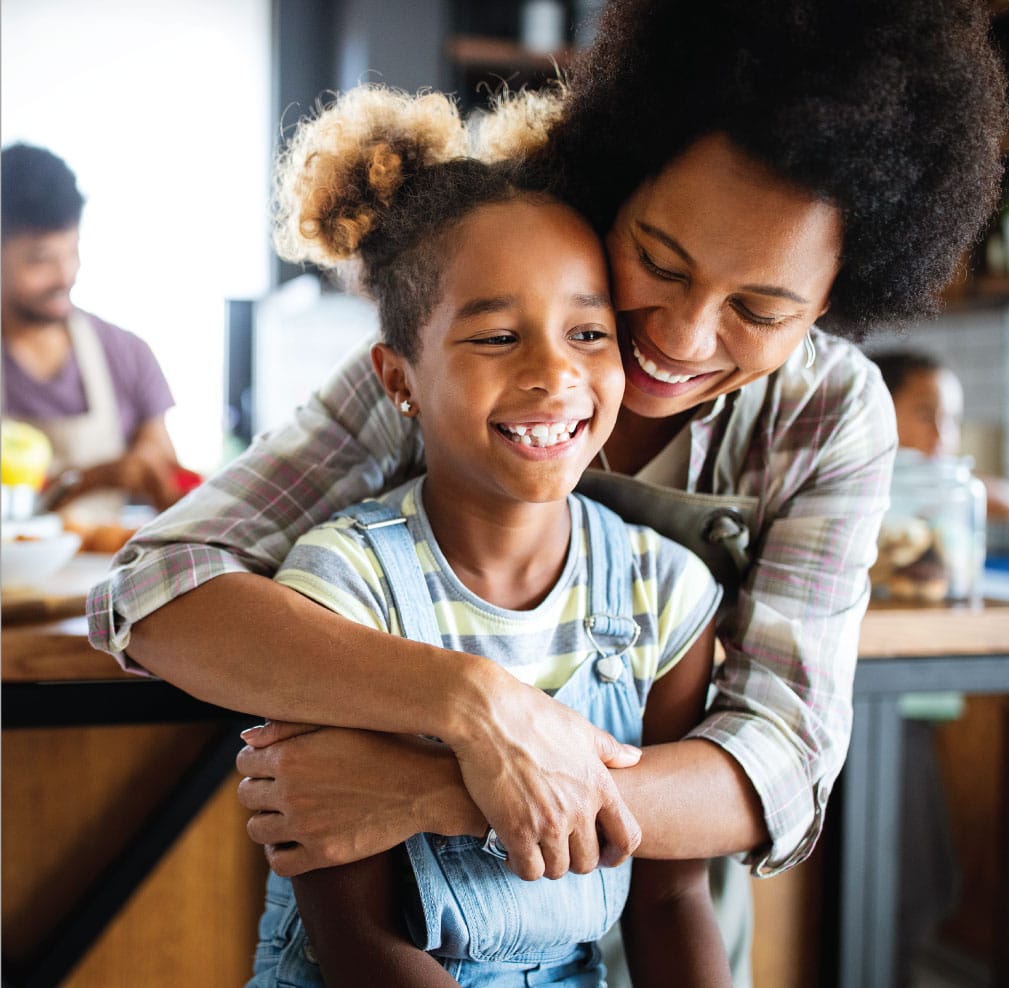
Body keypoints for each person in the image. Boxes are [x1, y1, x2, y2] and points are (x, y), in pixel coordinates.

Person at [85, 0, 1006, 983]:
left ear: (833, 303)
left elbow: (778, 759)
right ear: (621, 180)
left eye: (759, 309)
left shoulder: (827, 413)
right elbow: (157, 590)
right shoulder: (482, 325)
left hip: (659, 908)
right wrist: (477, 706)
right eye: (657, 260)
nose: (683, 338)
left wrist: (449, 786)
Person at [246, 83, 728, 988]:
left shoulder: (662, 594)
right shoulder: (343, 588)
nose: (554, 373)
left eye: (587, 331)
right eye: (498, 336)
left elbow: (670, 901)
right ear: (399, 378)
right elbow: (356, 940)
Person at [1, 143, 191, 518]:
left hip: (102, 574)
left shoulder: (126, 353)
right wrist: (96, 477)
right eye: (41, 260)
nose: (64, 276)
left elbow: (171, 486)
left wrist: (157, 471)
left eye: (71, 252)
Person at [872, 348, 1009, 520]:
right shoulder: (865, 491)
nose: (941, 434)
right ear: (879, 412)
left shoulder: (961, 491)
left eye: (951, 418)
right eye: (925, 415)